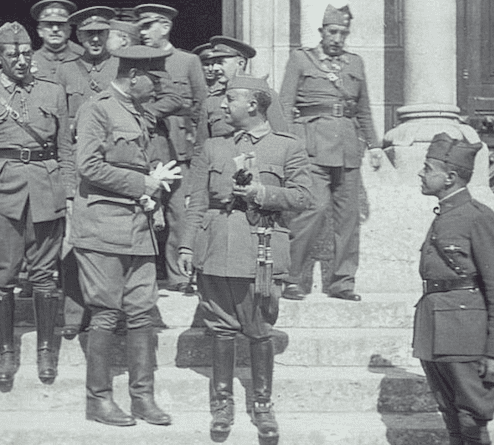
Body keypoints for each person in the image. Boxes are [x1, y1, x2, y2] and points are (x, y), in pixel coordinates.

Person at [178, 75, 313, 444]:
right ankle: (222, 404)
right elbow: (197, 203)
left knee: (257, 329)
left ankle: (263, 404)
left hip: (261, 250)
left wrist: (262, 191)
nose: (223, 105)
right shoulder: (212, 147)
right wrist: (187, 247)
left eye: (230, 99)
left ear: (252, 104)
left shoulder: (289, 147)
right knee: (221, 328)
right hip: (216, 247)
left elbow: (304, 197)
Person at [0, 22, 74, 385]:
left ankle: (44, 351)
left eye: (26, 54)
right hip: (0, 192)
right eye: (13, 55)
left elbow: (66, 150)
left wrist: (68, 193)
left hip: (45, 189)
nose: (22, 61)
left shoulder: (52, 91)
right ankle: (7, 352)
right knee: (2, 279)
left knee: (44, 277)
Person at [71, 45, 180, 427]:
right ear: (133, 76)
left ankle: (142, 398)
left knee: (141, 313)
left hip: (139, 227)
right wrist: (142, 184)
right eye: (154, 80)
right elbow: (88, 165)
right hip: (102, 227)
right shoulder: (97, 108)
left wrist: (154, 198)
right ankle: (98, 400)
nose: (158, 88)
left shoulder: (138, 112)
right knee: (104, 313)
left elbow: (141, 163)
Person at [414, 132, 494, 445]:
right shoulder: (444, 215)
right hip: (436, 330)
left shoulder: (477, 218)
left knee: (471, 420)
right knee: (450, 415)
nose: (420, 173)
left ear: (450, 177)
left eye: (427, 167)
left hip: (465, 335)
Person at [278, 4, 384, 301]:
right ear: (322, 32)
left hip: (348, 148)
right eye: (333, 31)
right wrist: (289, 145)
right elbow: (285, 105)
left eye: (343, 33)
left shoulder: (356, 63)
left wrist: (374, 145)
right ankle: (291, 278)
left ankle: (342, 282)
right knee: (312, 210)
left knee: (348, 218)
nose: (338, 38)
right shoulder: (301, 59)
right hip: (311, 147)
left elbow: (363, 108)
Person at [55, 6, 119, 339]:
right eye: (88, 34)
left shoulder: (121, 68)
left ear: (108, 36)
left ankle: (108, 310)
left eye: (100, 34)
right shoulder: (65, 71)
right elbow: (59, 130)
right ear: (78, 37)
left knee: (111, 244)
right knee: (74, 243)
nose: (94, 40)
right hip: (78, 168)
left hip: (112, 168)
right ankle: (73, 313)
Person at [135, 3, 208, 295]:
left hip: (181, 148)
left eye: (147, 26)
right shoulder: (137, 60)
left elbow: (201, 108)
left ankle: (178, 276)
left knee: (179, 213)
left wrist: (201, 148)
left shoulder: (187, 61)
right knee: (145, 208)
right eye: (140, 26)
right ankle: (144, 274)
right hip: (146, 145)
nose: (142, 32)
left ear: (164, 27)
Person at [200, 36, 289, 140]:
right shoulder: (211, 101)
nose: (214, 68)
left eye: (220, 63)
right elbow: (202, 146)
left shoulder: (265, 95)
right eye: (214, 63)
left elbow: (281, 138)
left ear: (240, 63)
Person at [31, 0, 84, 81]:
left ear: (69, 31)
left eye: (61, 24)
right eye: (49, 24)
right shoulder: (30, 61)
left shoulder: (83, 59)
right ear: (40, 31)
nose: (55, 29)